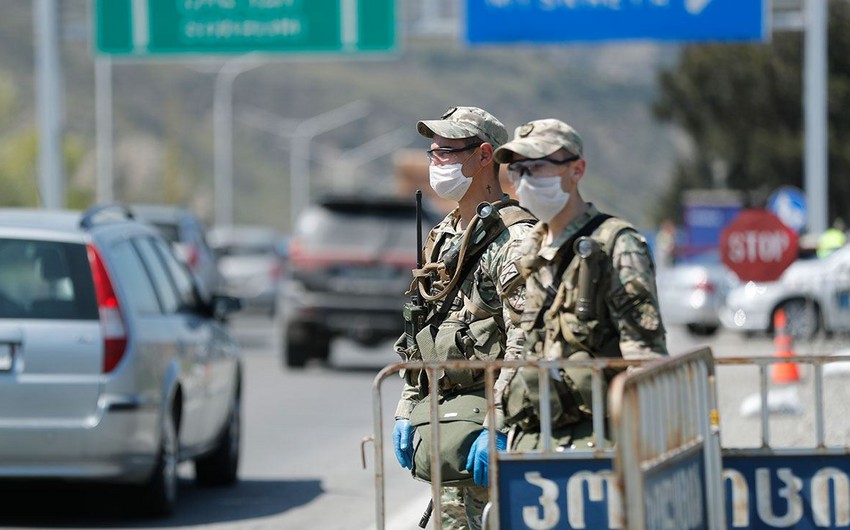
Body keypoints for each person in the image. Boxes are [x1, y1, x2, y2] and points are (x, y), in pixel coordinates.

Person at [392, 106, 536, 530]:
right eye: (433, 153)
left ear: (484, 155)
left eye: (448, 152)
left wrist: (499, 420)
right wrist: (408, 404)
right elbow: (420, 328)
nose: (437, 163)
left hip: (492, 428)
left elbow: (525, 339)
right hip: (451, 427)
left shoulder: (515, 239)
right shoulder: (445, 235)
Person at [491, 118, 668, 450]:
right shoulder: (531, 247)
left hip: (598, 438)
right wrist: (497, 419)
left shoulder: (615, 244)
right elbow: (523, 344)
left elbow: (644, 358)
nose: (525, 179)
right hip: (534, 433)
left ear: (576, 170)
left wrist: (640, 449)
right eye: (517, 170)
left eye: (539, 166)